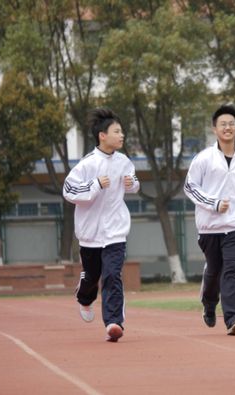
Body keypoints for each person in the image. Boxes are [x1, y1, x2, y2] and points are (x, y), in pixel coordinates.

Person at [63, 107, 140, 342]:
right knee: (91, 277)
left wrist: (131, 183)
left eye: (122, 131)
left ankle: (114, 322)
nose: (122, 135)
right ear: (102, 135)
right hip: (90, 235)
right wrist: (95, 184)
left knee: (112, 275)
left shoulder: (124, 161)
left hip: (115, 232)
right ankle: (84, 298)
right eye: (117, 131)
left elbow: (135, 184)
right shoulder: (87, 164)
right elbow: (68, 190)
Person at [184, 105, 235, 336]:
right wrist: (213, 203)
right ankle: (209, 303)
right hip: (209, 226)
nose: (228, 128)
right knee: (214, 271)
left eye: (232, 124)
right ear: (214, 129)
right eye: (223, 124)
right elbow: (190, 187)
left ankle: (233, 318)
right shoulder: (203, 159)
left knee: (233, 268)